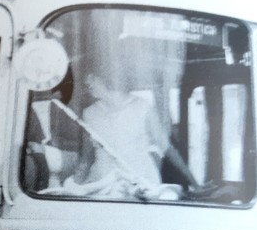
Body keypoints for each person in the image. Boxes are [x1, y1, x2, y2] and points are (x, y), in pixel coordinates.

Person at [61, 73, 198, 200]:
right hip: (102, 188)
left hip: (140, 186)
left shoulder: (142, 107)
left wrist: (195, 184)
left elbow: (167, 148)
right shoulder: (89, 113)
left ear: (104, 76)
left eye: (92, 76)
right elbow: (86, 158)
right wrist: (70, 188)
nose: (86, 82)